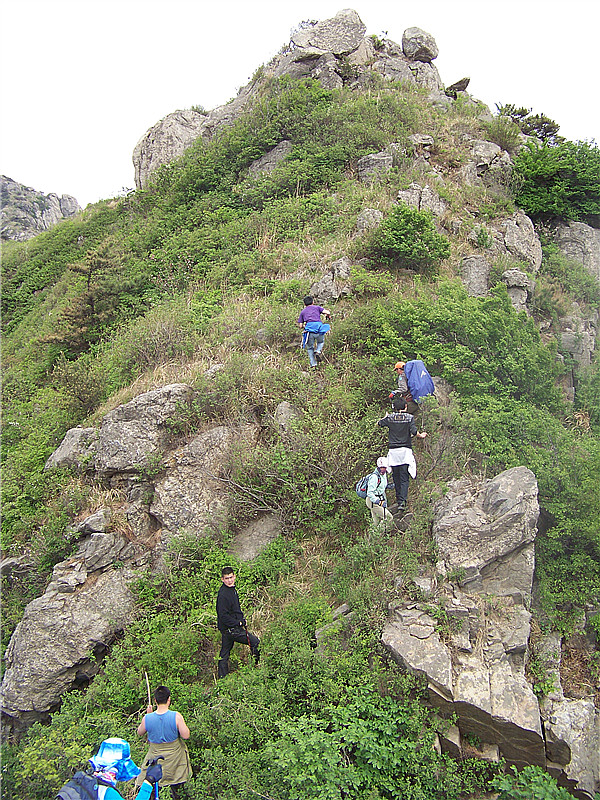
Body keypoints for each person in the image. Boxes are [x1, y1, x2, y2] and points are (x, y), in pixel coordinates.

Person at [135, 686, 191, 799]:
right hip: (175, 758)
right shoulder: (176, 716)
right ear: (169, 699)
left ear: (155, 700)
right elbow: (186, 736)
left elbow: (139, 732)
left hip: (155, 755)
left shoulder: (148, 718)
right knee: (177, 788)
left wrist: (148, 714)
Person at [378, 395, 427, 513]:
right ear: (405, 406)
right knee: (404, 477)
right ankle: (403, 502)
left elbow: (379, 423)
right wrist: (421, 435)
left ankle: (399, 500)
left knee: (396, 476)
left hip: (393, 451)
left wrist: (384, 417)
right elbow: (414, 431)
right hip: (405, 451)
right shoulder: (409, 417)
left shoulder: (390, 418)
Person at [216, 566, 260, 678]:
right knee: (255, 642)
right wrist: (238, 623)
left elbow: (234, 610)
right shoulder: (223, 595)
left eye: (231, 577)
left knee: (224, 654)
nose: (229, 580)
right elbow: (223, 616)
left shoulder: (231, 590)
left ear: (234, 577)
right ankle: (255, 669)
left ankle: (222, 679)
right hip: (231, 629)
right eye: (227, 578)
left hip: (228, 629)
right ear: (222, 579)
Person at [297, 296, 331, 368]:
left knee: (310, 348)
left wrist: (305, 326)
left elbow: (300, 325)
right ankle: (318, 351)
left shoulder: (303, 312)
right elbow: (327, 312)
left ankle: (313, 365)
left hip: (309, 331)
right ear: (313, 302)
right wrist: (328, 315)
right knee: (320, 342)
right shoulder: (317, 308)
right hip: (319, 329)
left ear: (304, 304)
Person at [365, 457, 394, 530]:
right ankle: (376, 535)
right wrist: (378, 501)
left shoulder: (383, 475)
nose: (383, 469)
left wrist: (388, 486)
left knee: (376, 522)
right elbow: (370, 492)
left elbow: (380, 486)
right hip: (373, 501)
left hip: (378, 499)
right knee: (388, 517)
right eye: (381, 467)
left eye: (384, 467)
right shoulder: (374, 477)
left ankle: (373, 539)